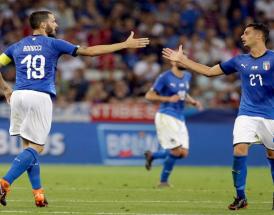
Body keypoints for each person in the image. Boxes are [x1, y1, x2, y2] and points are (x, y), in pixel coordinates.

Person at [0, 10, 149, 207]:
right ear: (43, 25)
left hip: (18, 96)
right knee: (37, 147)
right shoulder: (54, 44)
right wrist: (123, 45)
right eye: (53, 21)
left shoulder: (17, 46)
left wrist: (5, 88)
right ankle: (4, 183)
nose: (56, 25)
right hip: (39, 96)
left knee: (28, 148)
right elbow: (89, 51)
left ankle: (38, 194)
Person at [162, 23, 274, 210]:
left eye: (247, 33)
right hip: (247, 114)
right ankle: (241, 197)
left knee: (272, 155)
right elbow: (208, 72)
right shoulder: (239, 61)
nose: (242, 36)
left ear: (259, 36)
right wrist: (183, 61)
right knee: (239, 149)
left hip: (270, 116)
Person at [144, 61, 203, 187]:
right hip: (166, 115)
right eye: (180, 59)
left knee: (183, 153)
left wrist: (192, 101)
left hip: (180, 117)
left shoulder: (187, 76)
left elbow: (183, 93)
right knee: (176, 151)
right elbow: (149, 96)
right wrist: (167, 99)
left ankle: (152, 155)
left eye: (184, 58)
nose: (183, 61)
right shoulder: (164, 77)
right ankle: (163, 181)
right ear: (172, 61)